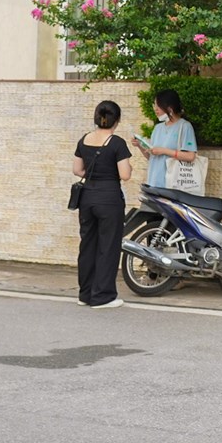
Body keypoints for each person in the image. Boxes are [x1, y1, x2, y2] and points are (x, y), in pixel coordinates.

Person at [72, 100, 133, 308]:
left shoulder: (84, 139)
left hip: (87, 198)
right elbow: (125, 175)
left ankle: (85, 294)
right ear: (117, 120)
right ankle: (102, 296)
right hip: (109, 199)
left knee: (88, 245)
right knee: (108, 246)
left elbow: (77, 170)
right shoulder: (117, 143)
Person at [135, 88, 198, 189]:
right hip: (153, 183)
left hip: (172, 186)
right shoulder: (157, 128)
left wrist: (164, 151)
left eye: (158, 106)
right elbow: (152, 158)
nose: (155, 109)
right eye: (154, 105)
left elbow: (191, 156)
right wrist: (140, 145)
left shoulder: (185, 126)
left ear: (169, 108)